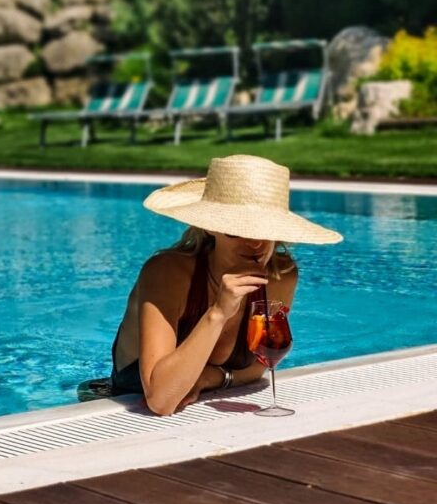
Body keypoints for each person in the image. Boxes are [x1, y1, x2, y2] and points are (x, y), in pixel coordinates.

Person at [109, 154, 342, 415]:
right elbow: (161, 402)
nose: (253, 243)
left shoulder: (280, 275)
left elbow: (259, 365)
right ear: (211, 227)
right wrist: (218, 312)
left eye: (264, 229)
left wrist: (211, 378)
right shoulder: (167, 272)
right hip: (129, 400)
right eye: (236, 229)